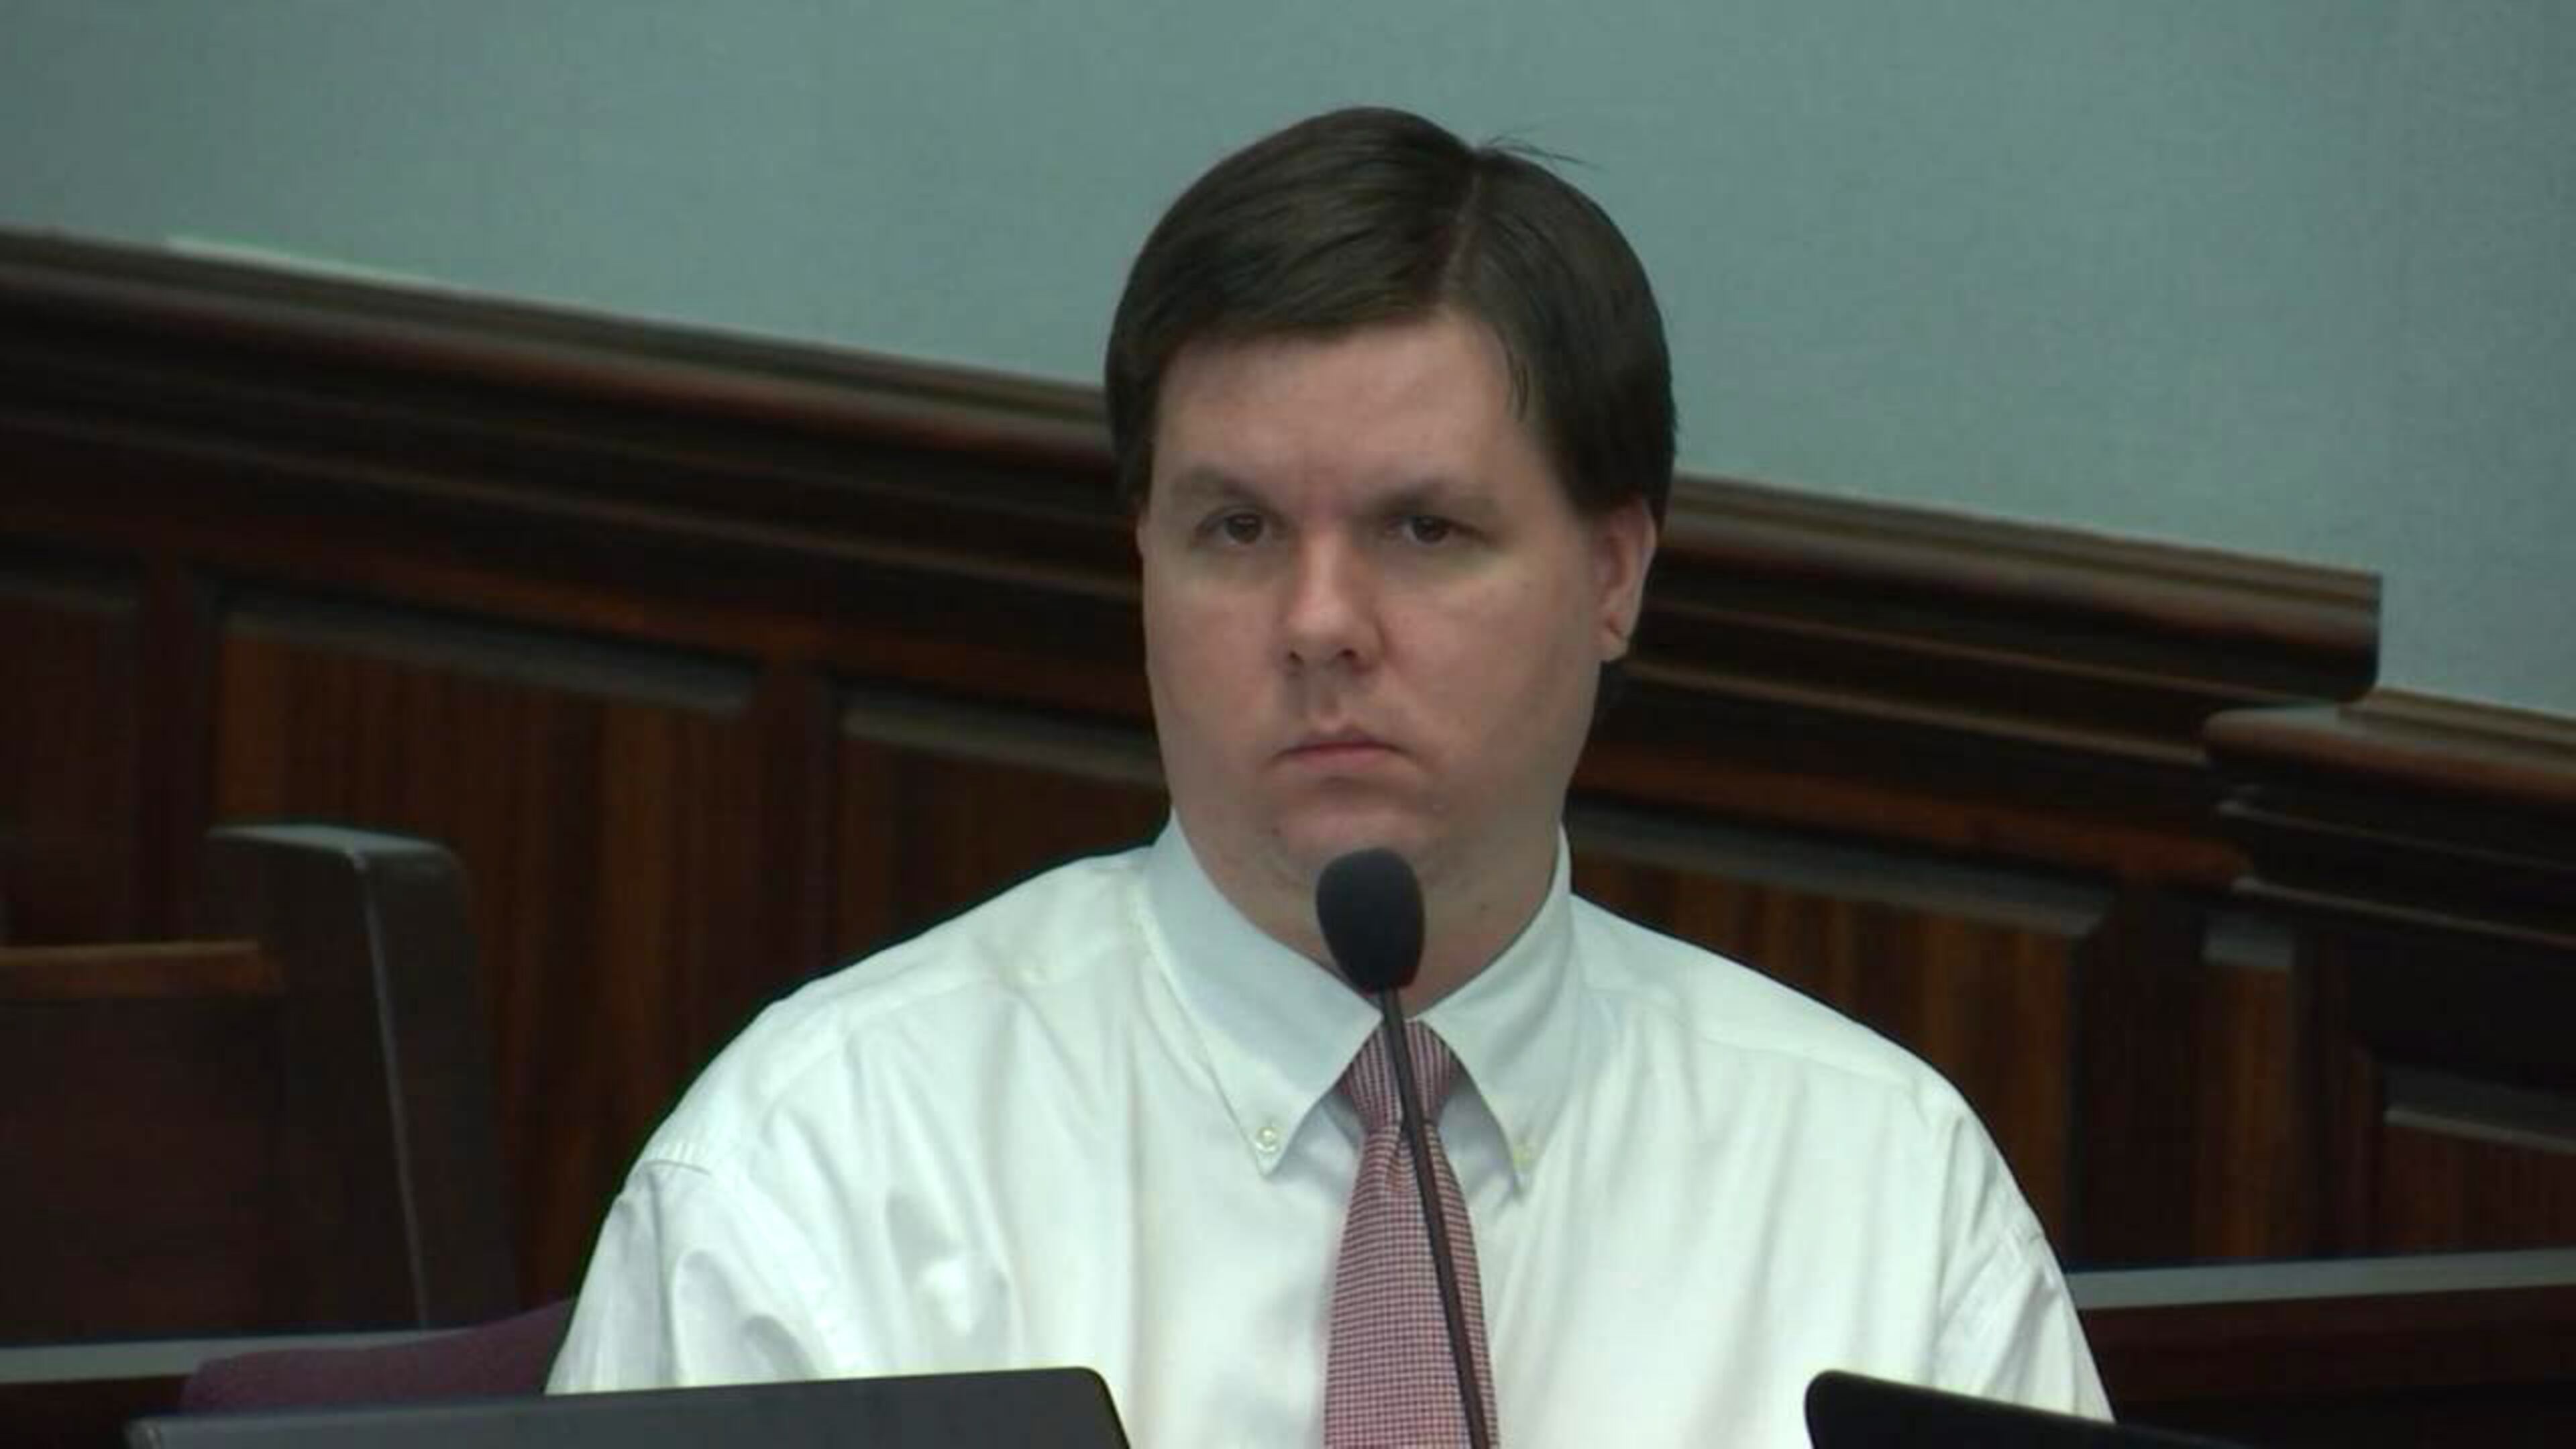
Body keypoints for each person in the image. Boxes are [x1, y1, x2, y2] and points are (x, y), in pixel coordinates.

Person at [548, 105, 2108, 1446]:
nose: (1317, 626)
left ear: (1615, 572)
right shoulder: (829, 1169)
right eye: (1235, 532)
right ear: (1142, 556)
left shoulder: (1878, 1199)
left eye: (1424, 531)